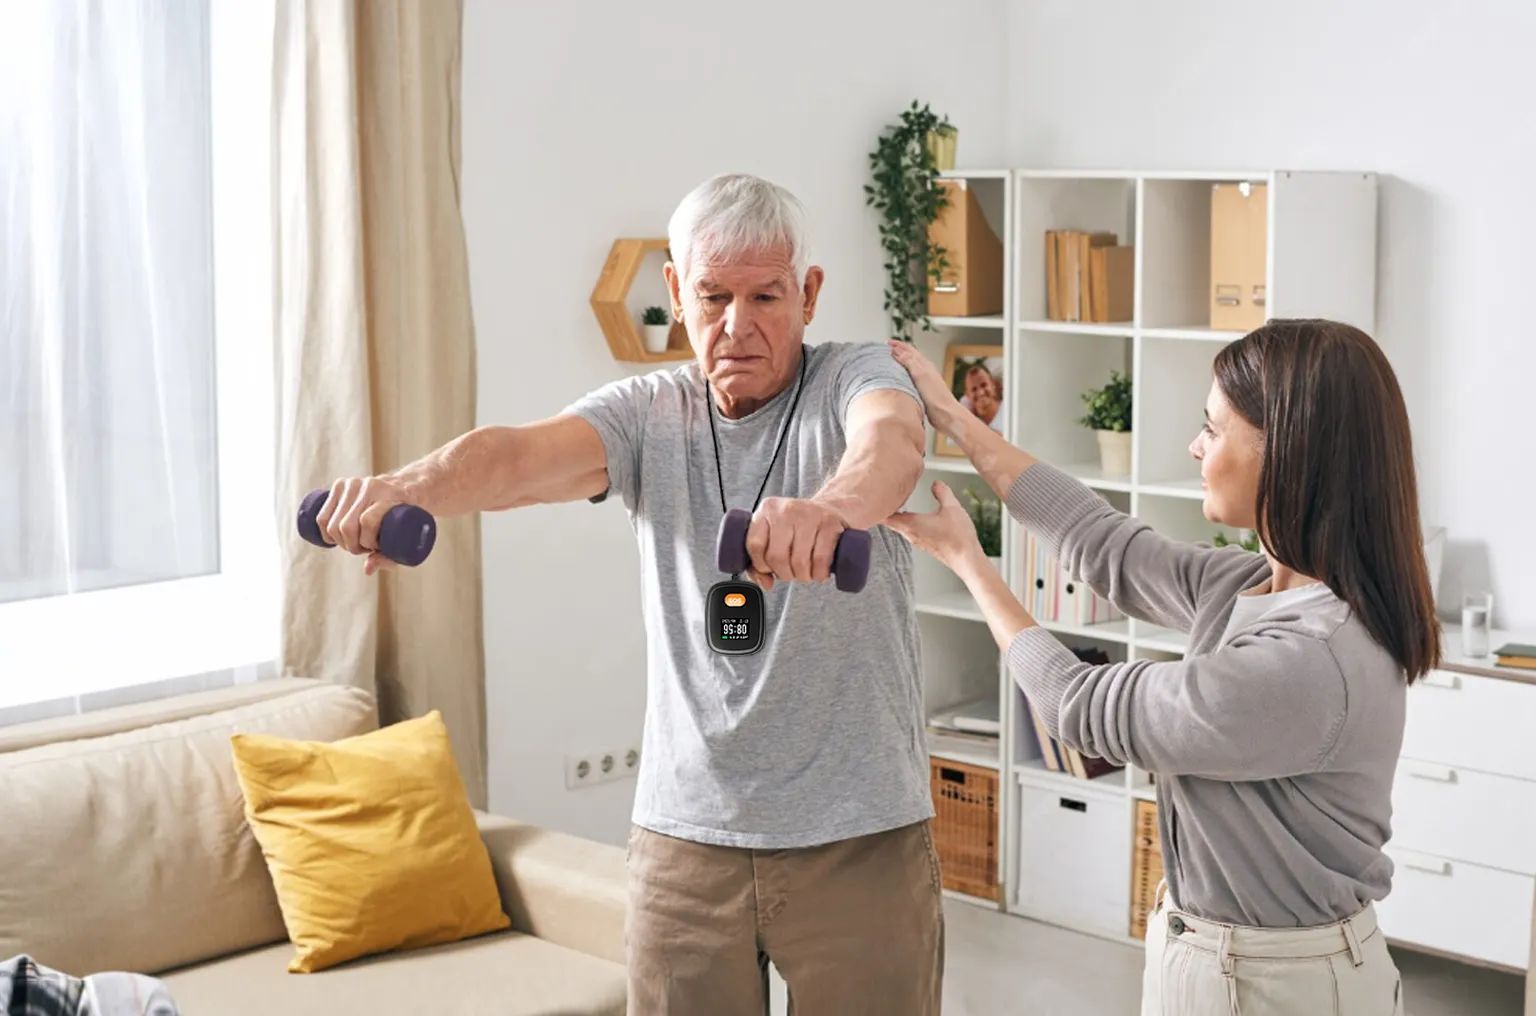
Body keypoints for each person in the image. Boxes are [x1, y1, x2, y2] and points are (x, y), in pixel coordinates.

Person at [313, 173, 943, 1015]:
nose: (738, 324)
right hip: (687, 842)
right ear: (677, 293)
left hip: (859, 834)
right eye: (714, 296)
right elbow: (515, 459)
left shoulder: (854, 376)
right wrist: (403, 490)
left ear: (810, 294)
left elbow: (890, 444)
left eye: (766, 295)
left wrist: (831, 512)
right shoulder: (650, 413)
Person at [882, 320, 1438, 1016]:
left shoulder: (1307, 660)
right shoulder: (1252, 588)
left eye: (1213, 428)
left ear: (1286, 454)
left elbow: (1076, 704)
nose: (1196, 447)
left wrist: (969, 561)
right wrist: (955, 418)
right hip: (1219, 957)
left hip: (1278, 985)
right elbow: (1104, 544)